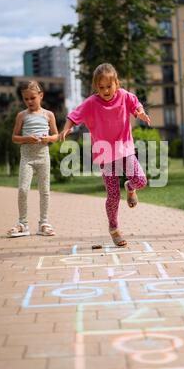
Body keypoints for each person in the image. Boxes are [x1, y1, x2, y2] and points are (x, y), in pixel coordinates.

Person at [59, 63, 151, 247]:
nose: (106, 90)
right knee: (113, 195)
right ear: (96, 87)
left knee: (141, 180)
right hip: (105, 153)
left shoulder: (124, 96)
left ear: (117, 83)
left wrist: (140, 113)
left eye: (109, 86)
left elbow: (136, 105)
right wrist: (66, 129)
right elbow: (73, 116)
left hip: (125, 148)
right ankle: (114, 228)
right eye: (101, 87)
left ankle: (130, 187)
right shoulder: (92, 103)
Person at [7, 80, 59, 237]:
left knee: (45, 191)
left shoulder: (48, 115)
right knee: (23, 189)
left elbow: (56, 136)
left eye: (32, 98)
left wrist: (48, 139)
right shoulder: (21, 115)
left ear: (40, 96)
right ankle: (23, 224)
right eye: (26, 99)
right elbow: (14, 137)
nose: (29, 101)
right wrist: (26, 139)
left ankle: (44, 223)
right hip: (27, 158)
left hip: (43, 157)